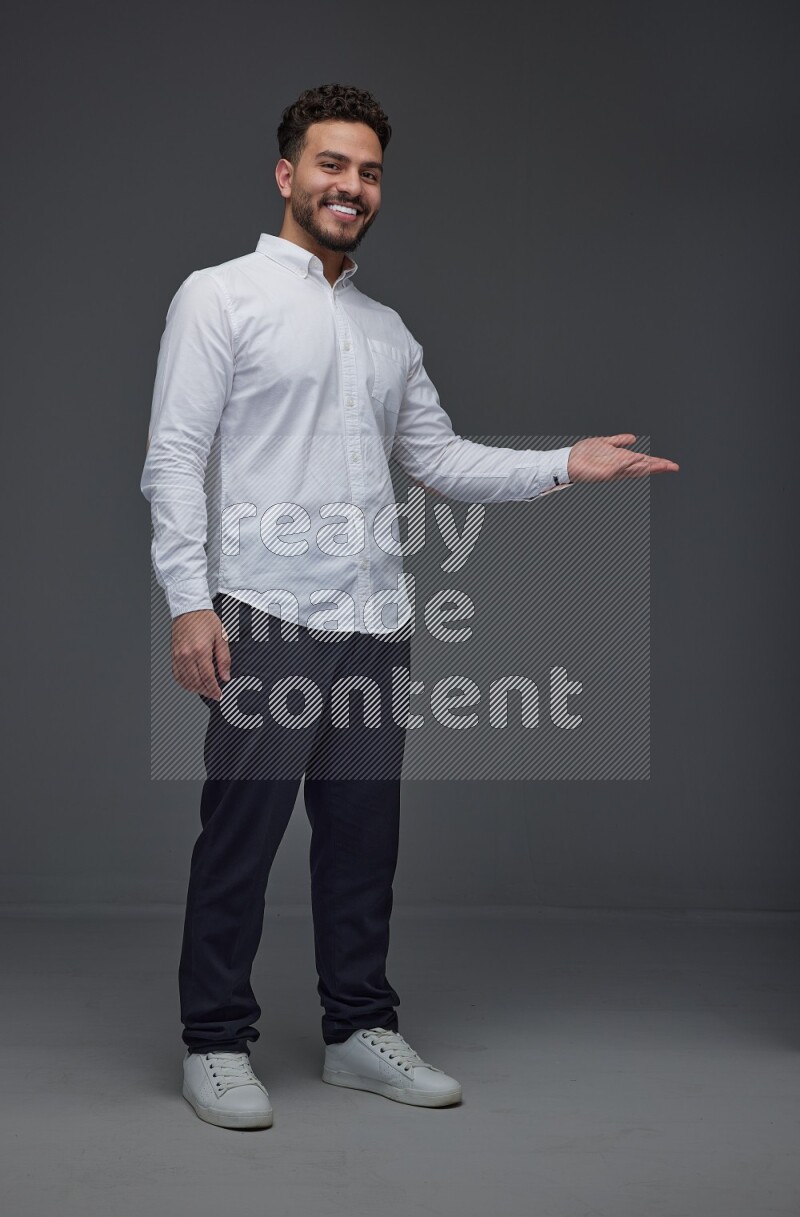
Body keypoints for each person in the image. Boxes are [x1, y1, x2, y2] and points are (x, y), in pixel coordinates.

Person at [140, 82, 679, 1131]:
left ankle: (355, 1031)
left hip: (375, 624)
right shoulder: (220, 296)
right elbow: (173, 457)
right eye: (331, 165)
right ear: (287, 173)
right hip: (262, 613)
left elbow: (437, 461)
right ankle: (214, 1039)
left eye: (369, 171)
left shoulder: (384, 330)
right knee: (239, 838)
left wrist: (563, 463)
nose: (351, 186)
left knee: (361, 842)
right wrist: (187, 603)